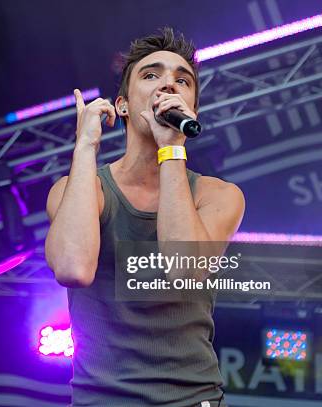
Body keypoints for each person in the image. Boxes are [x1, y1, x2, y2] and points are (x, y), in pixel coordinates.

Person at [45, 27, 245, 407]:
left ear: (192, 110)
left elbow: (183, 270)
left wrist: (171, 150)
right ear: (121, 105)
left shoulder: (219, 195)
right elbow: (73, 268)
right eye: (151, 75)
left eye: (181, 81)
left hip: (191, 399)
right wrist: (85, 146)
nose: (167, 85)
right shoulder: (81, 190)